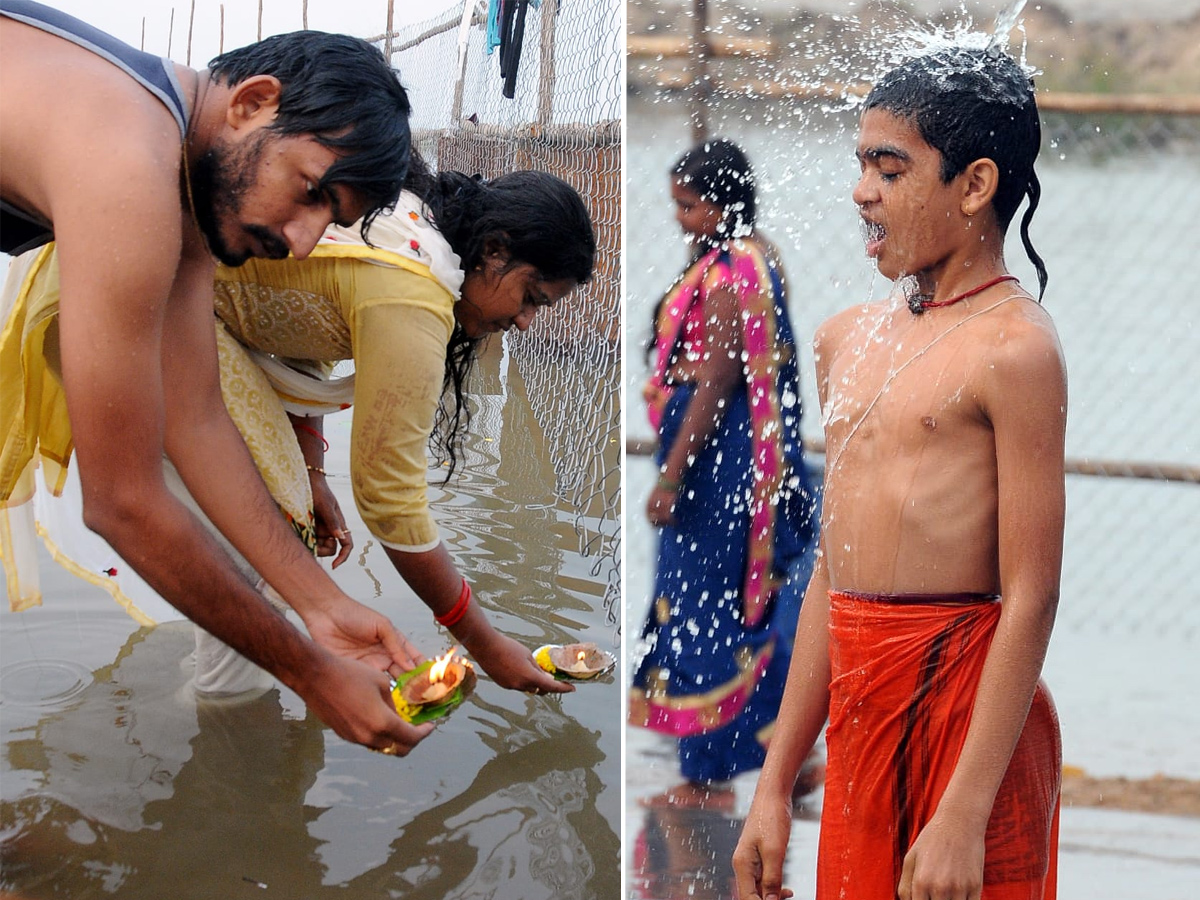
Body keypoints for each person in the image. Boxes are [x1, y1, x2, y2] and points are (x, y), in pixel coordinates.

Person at [0, 1, 430, 754]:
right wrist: (311, 673)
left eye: (327, 222)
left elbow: (196, 417)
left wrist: (322, 605)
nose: (299, 245)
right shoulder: (128, 158)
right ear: (252, 103)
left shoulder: (185, 184)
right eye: (309, 191)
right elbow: (124, 502)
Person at [4, 158, 597, 697]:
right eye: (531, 297)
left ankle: (212, 697)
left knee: (269, 530)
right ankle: (230, 741)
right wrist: (484, 643)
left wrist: (312, 470)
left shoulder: (413, 232)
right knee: (270, 543)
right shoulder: (416, 294)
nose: (523, 322)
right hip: (128, 294)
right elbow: (391, 501)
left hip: (121, 281)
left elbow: (291, 334)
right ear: (493, 249)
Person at [732, 46, 1065, 900]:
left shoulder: (1014, 349)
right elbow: (830, 577)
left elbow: (1031, 595)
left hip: (969, 714)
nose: (860, 192)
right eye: (860, 166)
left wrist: (962, 814)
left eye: (890, 168)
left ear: (976, 184)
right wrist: (773, 784)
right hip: (862, 707)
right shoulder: (848, 338)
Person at [628, 139, 818, 807]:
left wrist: (672, 476)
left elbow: (714, 384)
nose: (679, 218)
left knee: (703, 608)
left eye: (688, 206)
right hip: (731, 459)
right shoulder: (755, 258)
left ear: (719, 204)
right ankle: (783, 757)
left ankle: (707, 779)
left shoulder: (730, 274)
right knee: (739, 604)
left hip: (714, 464)